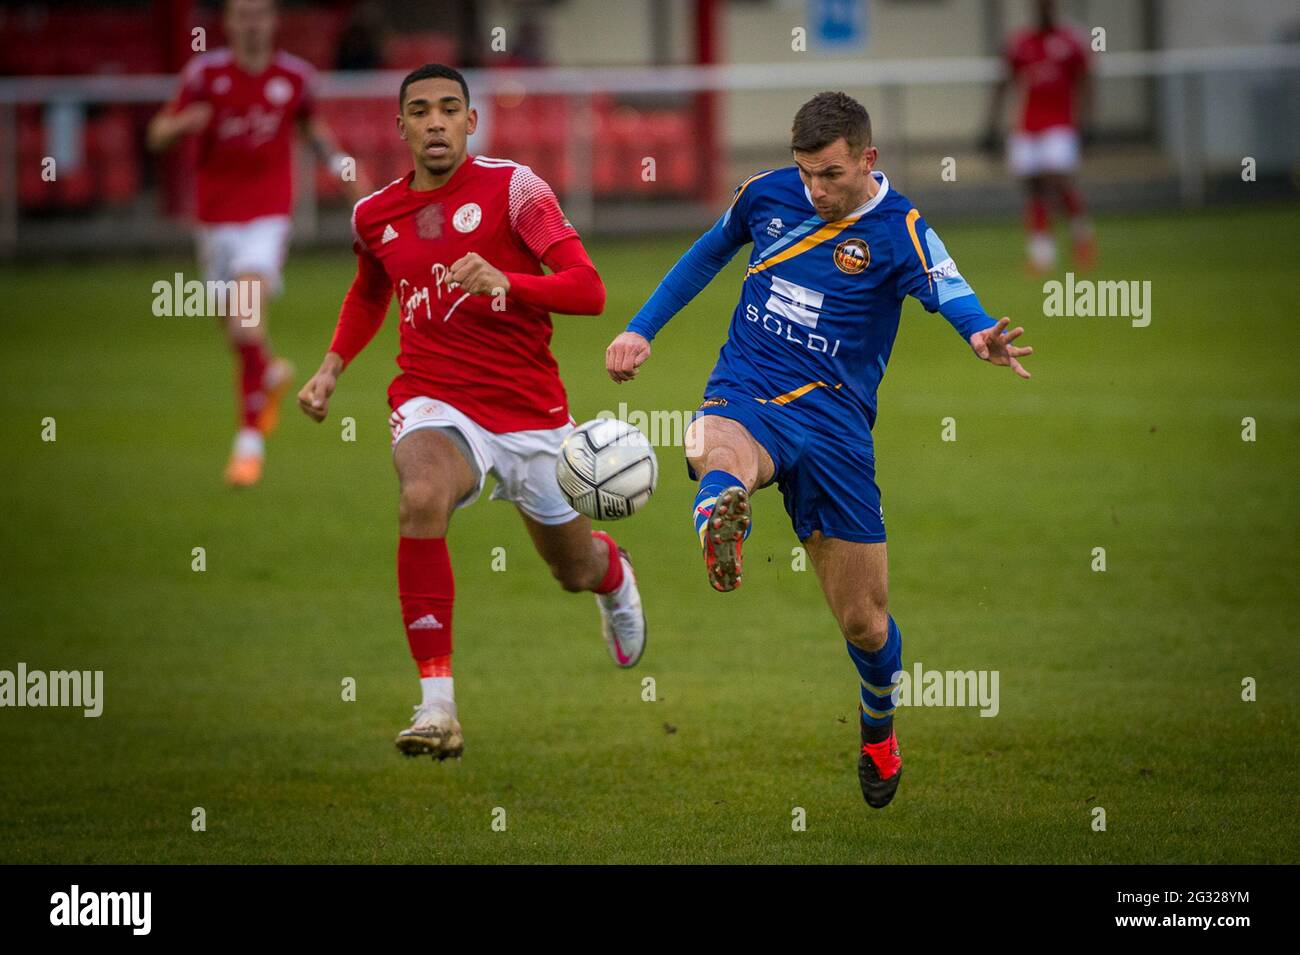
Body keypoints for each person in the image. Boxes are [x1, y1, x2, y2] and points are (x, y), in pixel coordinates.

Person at [605, 91, 1032, 808]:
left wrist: (981, 333)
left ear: (869, 159)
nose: (814, 189)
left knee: (865, 622)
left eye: (830, 174)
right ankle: (719, 509)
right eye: (805, 173)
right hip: (748, 386)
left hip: (836, 428)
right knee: (716, 440)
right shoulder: (766, 196)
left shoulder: (901, 230)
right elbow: (707, 252)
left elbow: (953, 293)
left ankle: (878, 729)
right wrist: (641, 327)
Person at [297, 64, 647, 760]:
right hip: (433, 400)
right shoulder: (373, 215)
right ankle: (437, 708)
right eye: (419, 110)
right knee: (421, 496)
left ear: (469, 121)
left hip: (532, 413)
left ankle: (613, 576)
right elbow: (371, 292)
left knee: (571, 569)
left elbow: (589, 289)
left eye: (448, 109)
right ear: (399, 125)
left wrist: (506, 282)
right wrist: (332, 365)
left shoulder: (517, 188)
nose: (434, 121)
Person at [147, 0, 370, 485]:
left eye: (261, 14)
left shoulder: (294, 78)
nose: (252, 24)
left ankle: (248, 447)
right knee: (239, 336)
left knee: (248, 322)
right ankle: (268, 375)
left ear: (273, 22)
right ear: (228, 23)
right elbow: (157, 133)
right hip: (213, 222)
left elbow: (315, 133)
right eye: (243, 15)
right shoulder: (204, 75)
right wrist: (184, 124)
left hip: (266, 219)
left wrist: (352, 183)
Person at [983, 0, 1095, 273]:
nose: (1044, 10)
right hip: (1027, 126)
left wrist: (1088, 121)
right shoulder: (1021, 43)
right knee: (1033, 188)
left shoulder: (1070, 42)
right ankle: (1042, 255)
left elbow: (1087, 80)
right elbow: (1004, 82)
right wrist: (991, 125)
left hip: (1060, 125)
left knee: (1058, 181)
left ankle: (1082, 238)